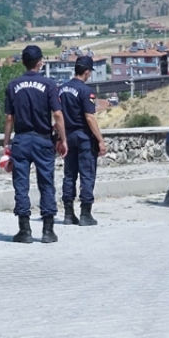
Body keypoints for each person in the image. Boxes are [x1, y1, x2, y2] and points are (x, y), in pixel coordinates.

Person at [3, 45, 67, 244]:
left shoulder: (13, 85)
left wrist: (6, 144)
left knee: (21, 185)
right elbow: (57, 114)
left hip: (21, 140)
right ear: (40, 62)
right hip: (42, 139)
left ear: (23, 62)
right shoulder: (49, 84)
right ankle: (48, 231)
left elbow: (8, 118)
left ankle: (24, 230)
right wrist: (63, 138)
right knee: (46, 184)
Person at [59, 56, 106, 226]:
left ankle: (68, 214)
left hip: (68, 136)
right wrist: (100, 140)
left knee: (69, 175)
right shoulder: (86, 92)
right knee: (87, 174)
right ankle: (86, 214)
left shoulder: (62, 89)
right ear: (87, 72)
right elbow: (90, 117)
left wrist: (60, 137)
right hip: (84, 137)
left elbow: (58, 116)